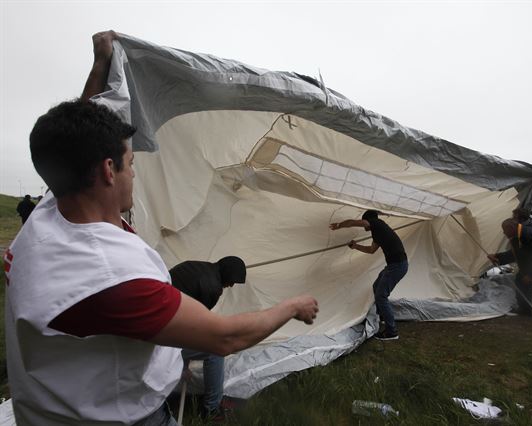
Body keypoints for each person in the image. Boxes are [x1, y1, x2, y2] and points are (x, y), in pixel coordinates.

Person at [3, 31, 319, 425]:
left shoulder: (52, 213)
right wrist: (293, 306)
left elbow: (76, 138)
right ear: (107, 170)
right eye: (132, 163)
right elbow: (226, 337)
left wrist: (101, 65)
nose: (134, 174)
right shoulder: (108, 278)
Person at [169, 257, 247, 421]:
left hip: (157, 324)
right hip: (162, 339)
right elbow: (195, 326)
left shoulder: (195, 266)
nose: (231, 285)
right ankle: (212, 409)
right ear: (227, 274)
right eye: (232, 281)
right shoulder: (212, 287)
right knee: (215, 350)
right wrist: (180, 365)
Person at [329, 210, 408, 340]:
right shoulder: (378, 232)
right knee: (377, 287)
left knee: (381, 296)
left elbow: (352, 222)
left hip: (397, 266)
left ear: (368, 220)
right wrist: (355, 246)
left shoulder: (376, 223)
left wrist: (339, 225)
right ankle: (382, 316)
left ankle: (392, 332)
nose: (364, 226)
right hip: (395, 265)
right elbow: (371, 250)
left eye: (365, 222)